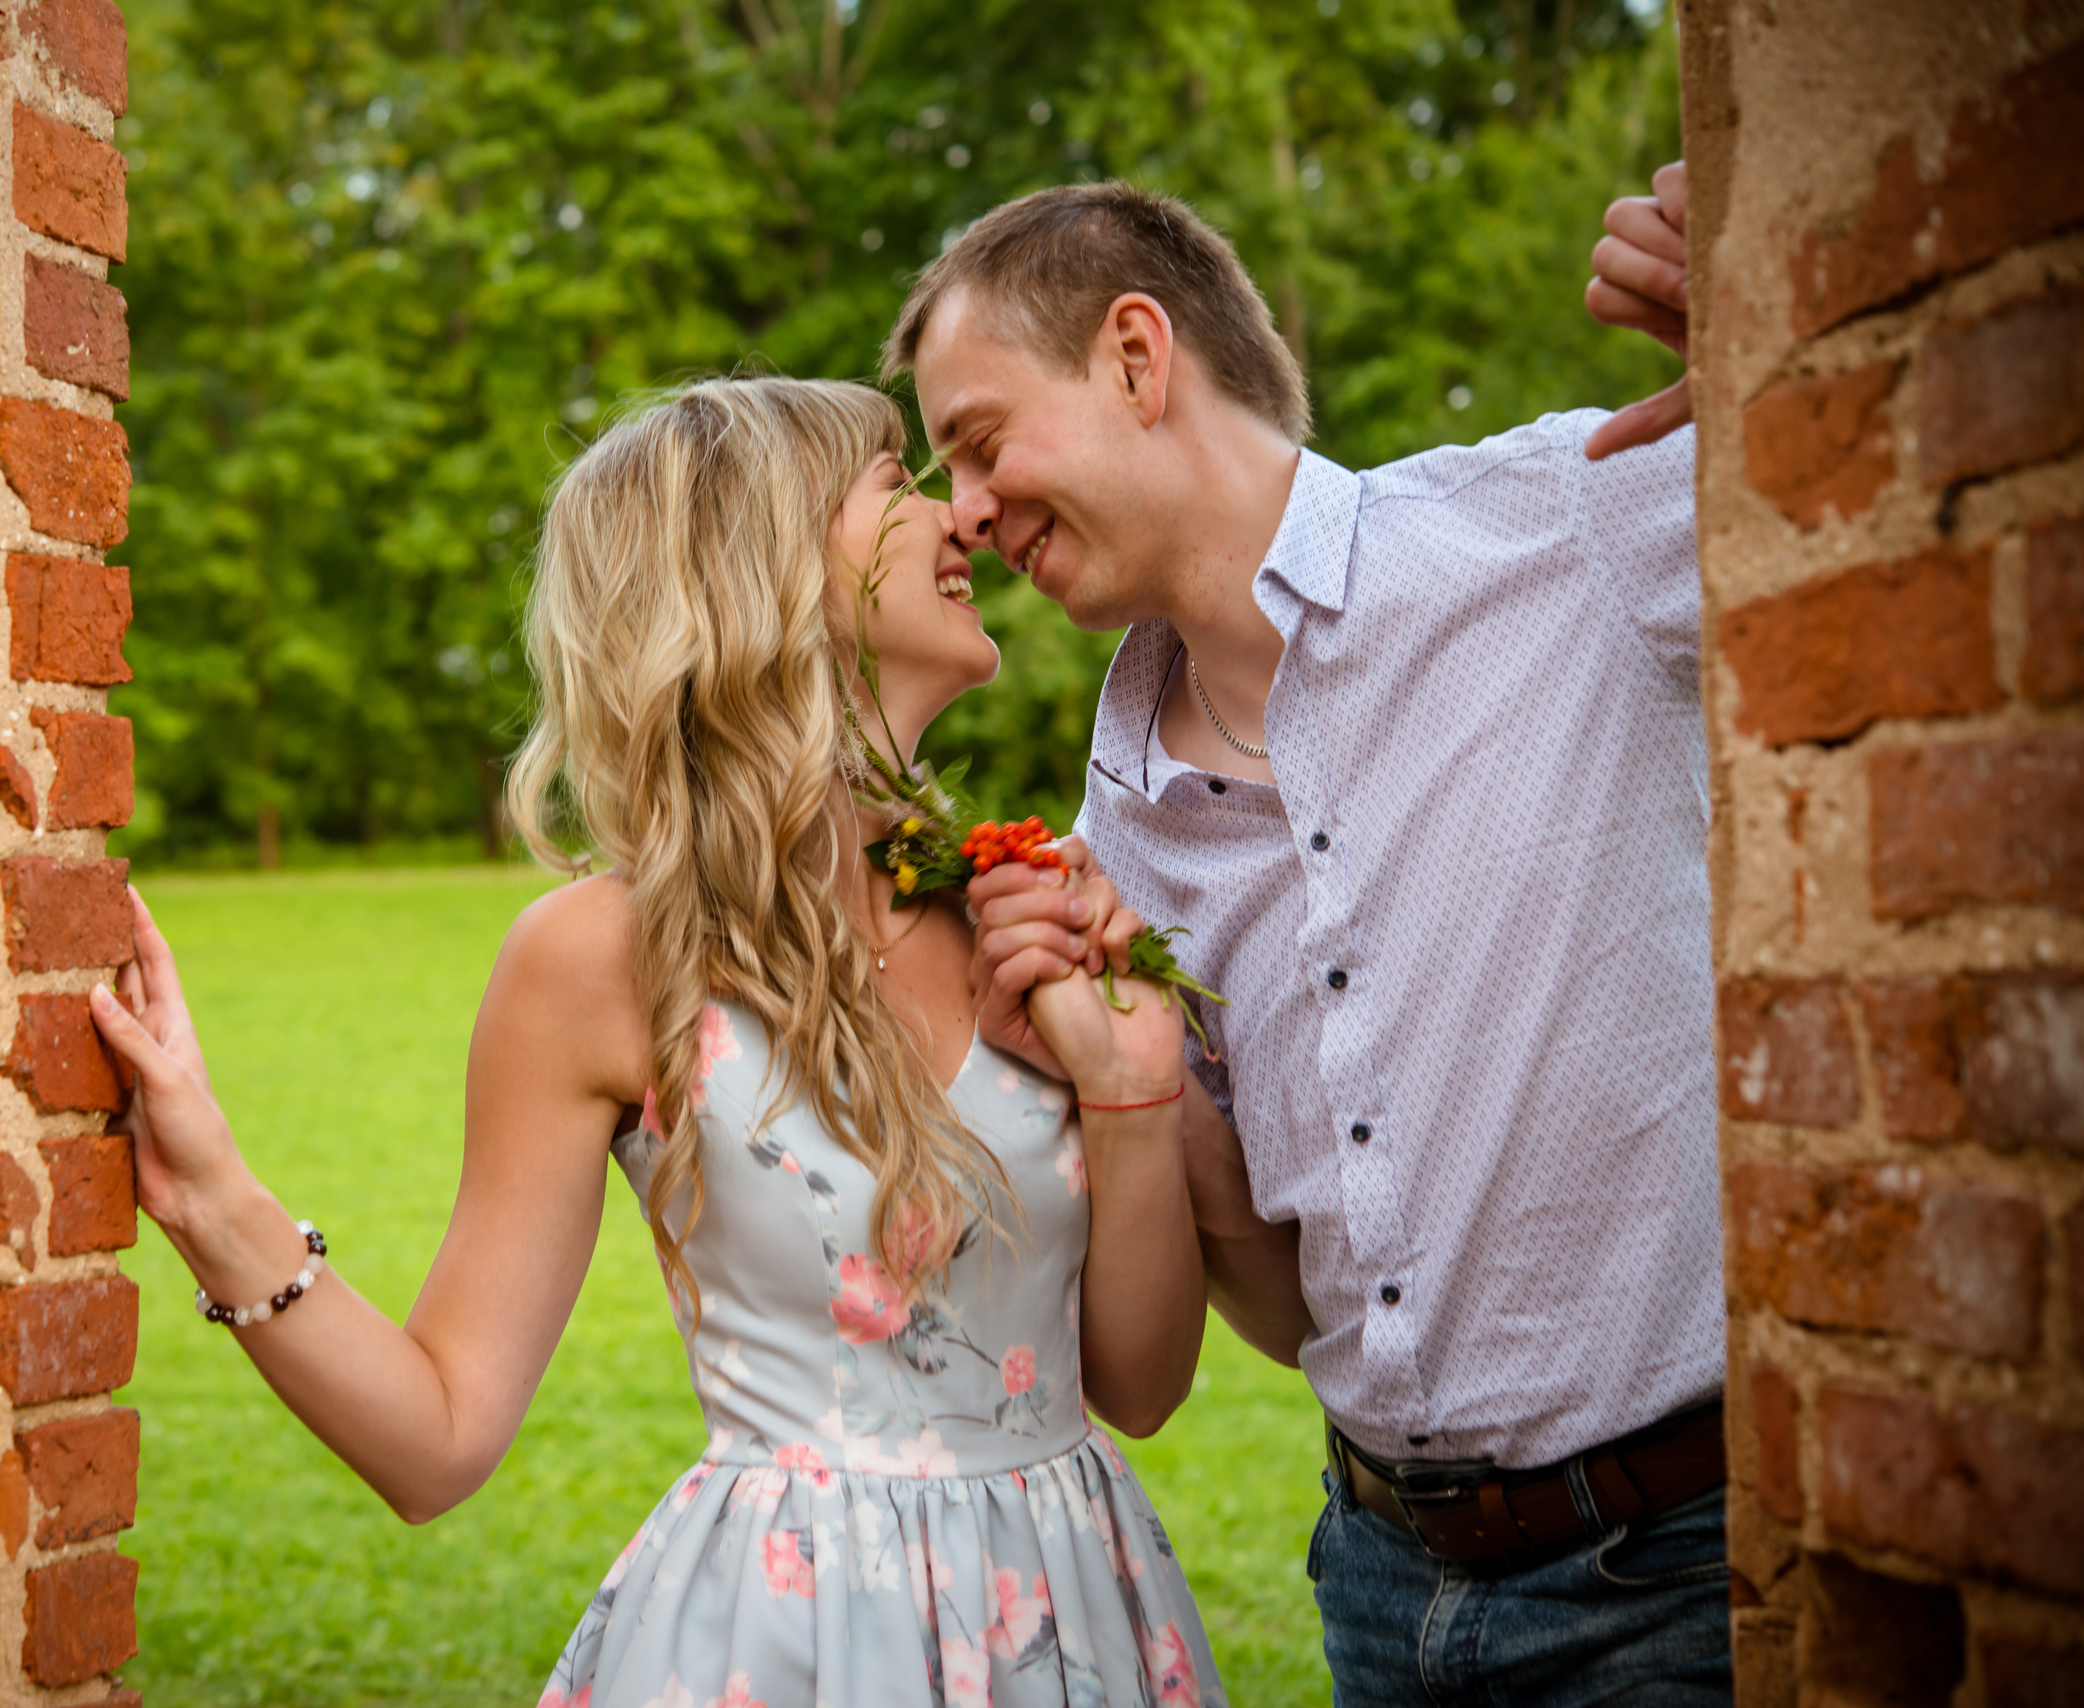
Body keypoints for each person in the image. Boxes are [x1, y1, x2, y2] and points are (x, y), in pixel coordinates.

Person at [88, 375, 1314, 1708]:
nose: (959, 517)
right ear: (767, 570)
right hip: (786, 1648)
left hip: (1075, 1626)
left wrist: (1130, 1090)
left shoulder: (1007, 907)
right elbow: (436, 1437)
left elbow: (1139, 1386)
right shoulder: (599, 958)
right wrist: (216, 1198)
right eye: (894, 486)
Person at [886, 169, 1732, 1703]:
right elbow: (1291, 1307)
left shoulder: (1562, 528)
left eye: (979, 442)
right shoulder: (1120, 818)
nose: (964, 510)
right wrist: (1149, 1085)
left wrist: (1777, 332)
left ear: (1138, 359)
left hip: (1678, 1577)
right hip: (1379, 1578)